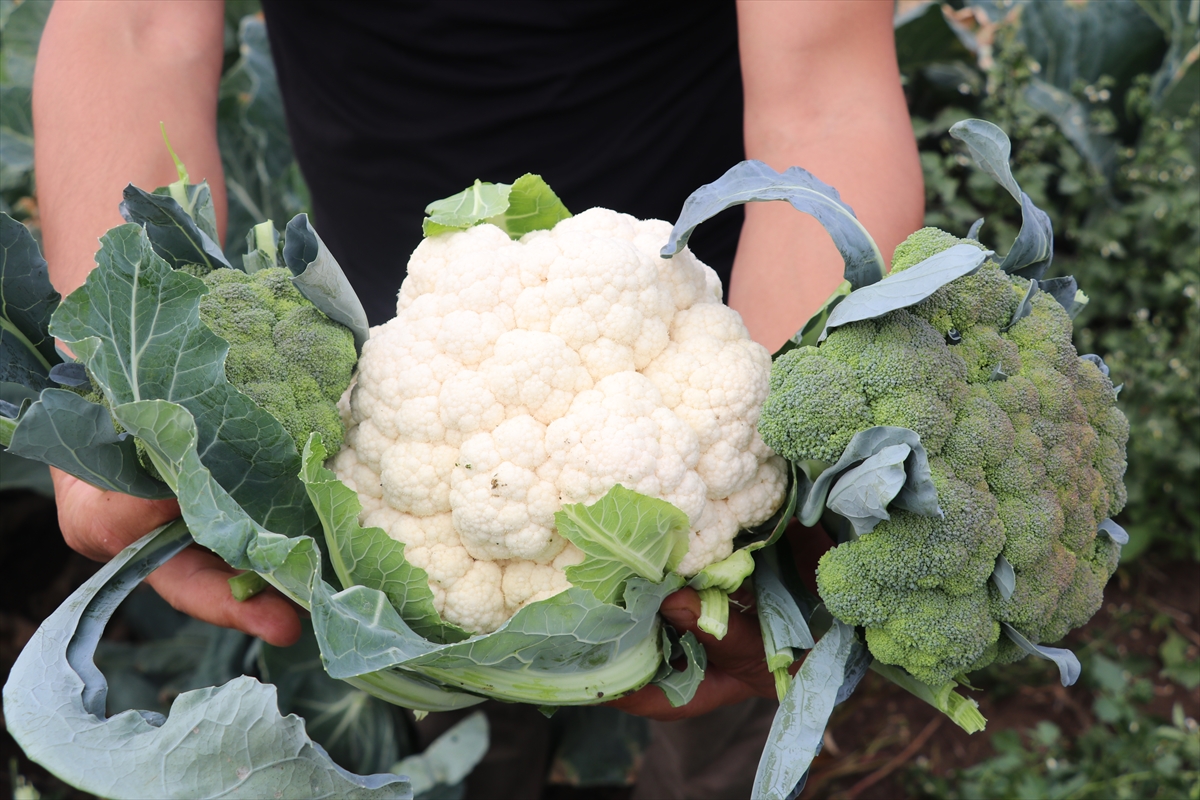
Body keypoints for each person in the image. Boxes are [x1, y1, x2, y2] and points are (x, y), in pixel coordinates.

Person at [33, 1, 923, 796]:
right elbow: (132, 24)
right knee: (446, 750)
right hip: (387, 373)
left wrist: (795, 463)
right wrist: (121, 389)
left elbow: (823, 93)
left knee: (725, 735)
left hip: (735, 324)